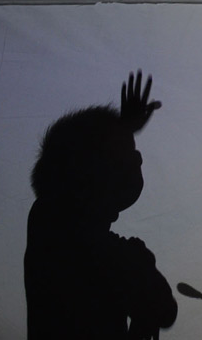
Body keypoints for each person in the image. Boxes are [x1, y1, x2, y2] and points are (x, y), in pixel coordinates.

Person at [24, 71, 177, 340]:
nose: (138, 159)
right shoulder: (87, 245)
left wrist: (121, 128)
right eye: (128, 154)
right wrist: (139, 262)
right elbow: (164, 309)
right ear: (93, 171)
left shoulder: (51, 226)